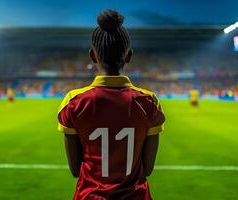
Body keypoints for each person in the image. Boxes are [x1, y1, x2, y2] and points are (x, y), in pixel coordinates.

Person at [57, 9, 165, 200]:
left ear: (92, 55)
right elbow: (147, 168)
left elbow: (75, 170)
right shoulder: (149, 102)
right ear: (129, 55)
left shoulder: (73, 102)